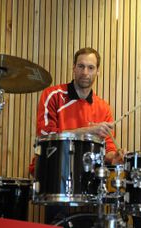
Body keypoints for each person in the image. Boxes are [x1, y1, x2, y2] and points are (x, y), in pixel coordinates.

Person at [29, 47, 124, 225]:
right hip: (54, 173)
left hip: (87, 178)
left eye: (90, 67)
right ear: (73, 68)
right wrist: (86, 131)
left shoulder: (103, 107)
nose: (85, 72)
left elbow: (108, 150)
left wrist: (114, 157)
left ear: (98, 71)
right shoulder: (52, 95)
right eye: (81, 66)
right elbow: (45, 137)